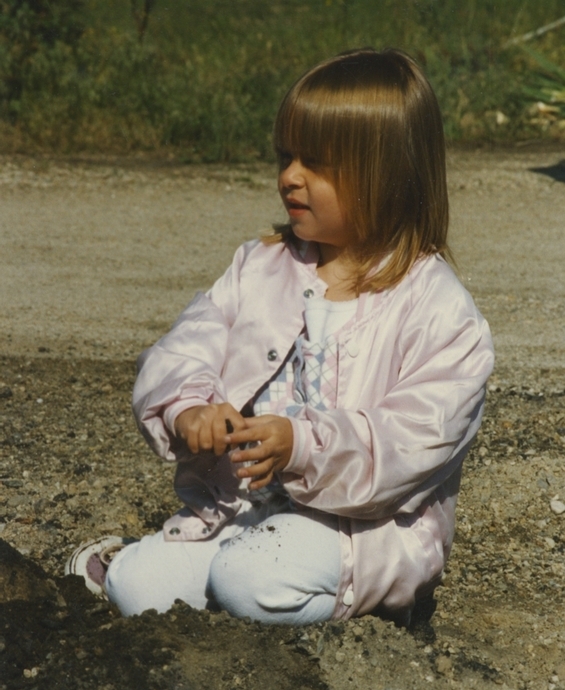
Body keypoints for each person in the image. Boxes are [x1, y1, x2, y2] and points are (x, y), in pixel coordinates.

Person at [66, 48, 494, 625]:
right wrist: (188, 407)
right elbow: (186, 343)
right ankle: (166, 573)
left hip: (361, 534)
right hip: (244, 512)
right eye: (285, 156)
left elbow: (411, 442)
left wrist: (300, 444)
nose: (289, 177)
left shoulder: (441, 312)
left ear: (388, 174)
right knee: (139, 586)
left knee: (250, 579)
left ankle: (359, 612)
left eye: (315, 163)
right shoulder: (259, 267)